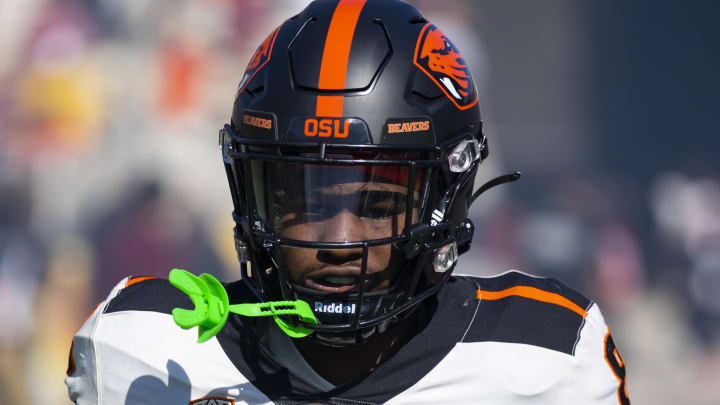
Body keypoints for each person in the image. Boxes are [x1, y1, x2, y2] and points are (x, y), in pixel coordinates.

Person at [66, 0, 630, 403]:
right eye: (306, 203)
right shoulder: (139, 347)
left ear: (447, 199)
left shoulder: (548, 363)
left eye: (378, 204)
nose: (339, 241)